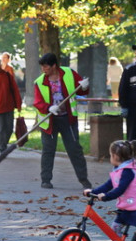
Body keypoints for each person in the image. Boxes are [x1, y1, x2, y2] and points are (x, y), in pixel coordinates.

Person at [32, 53, 92, 190]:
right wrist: (48, 108)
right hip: (49, 122)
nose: (43, 69)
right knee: (48, 150)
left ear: (54, 65)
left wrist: (84, 86)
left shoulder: (69, 73)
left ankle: (84, 180)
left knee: (74, 149)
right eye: (42, 66)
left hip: (68, 119)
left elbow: (82, 91)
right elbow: (37, 102)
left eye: (46, 66)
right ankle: (46, 180)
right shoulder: (40, 82)